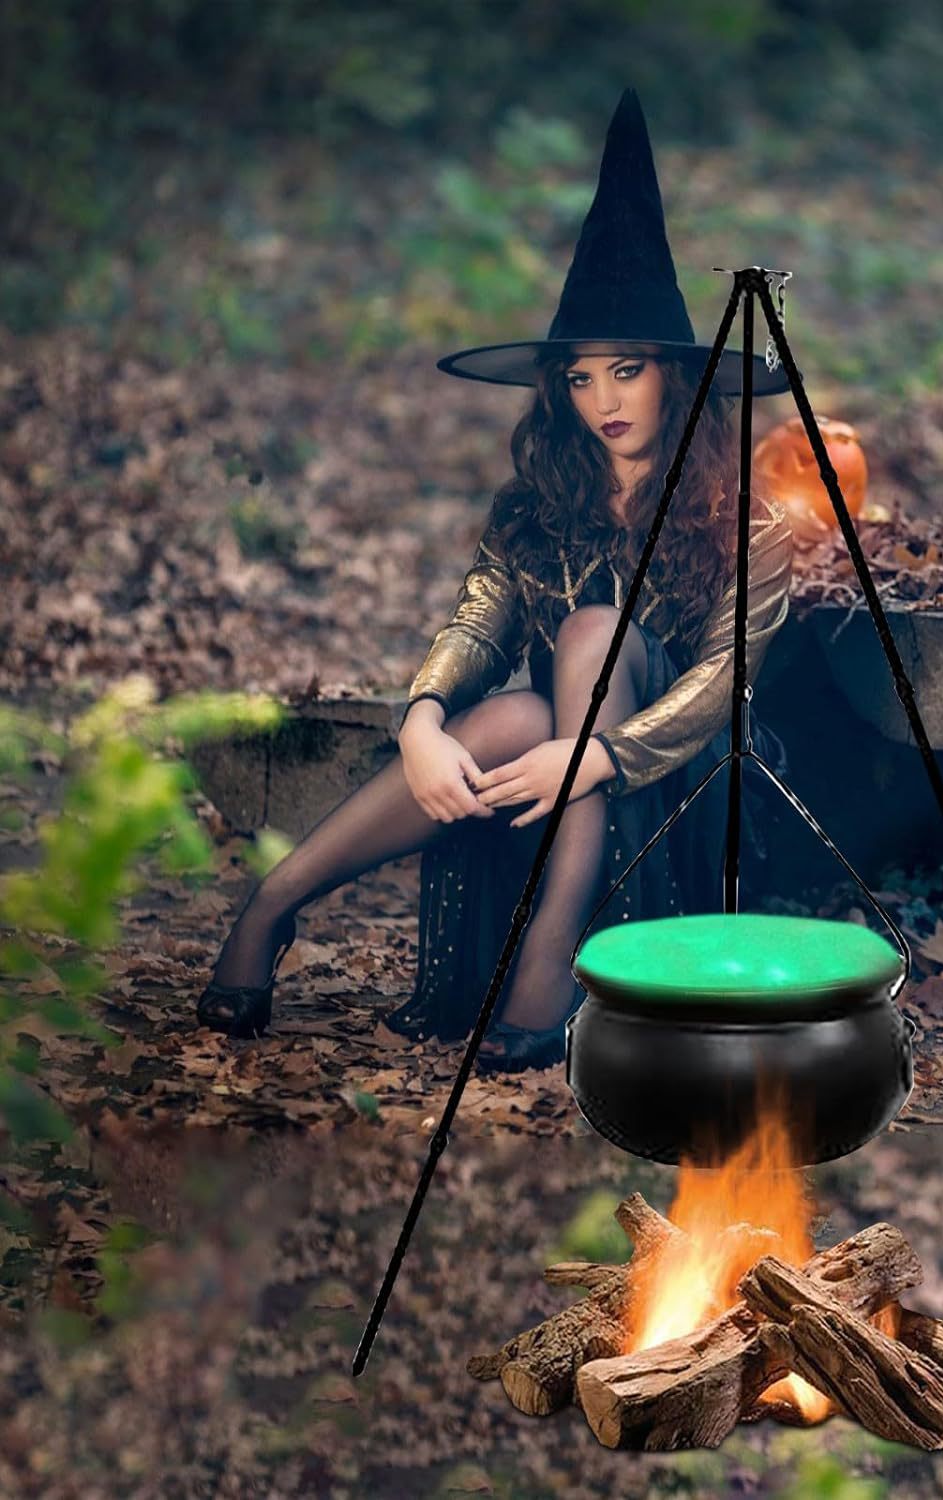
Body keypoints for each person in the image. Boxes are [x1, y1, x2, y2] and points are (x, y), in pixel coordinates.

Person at [194, 88, 795, 1072]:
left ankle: (553, 946)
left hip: (688, 784)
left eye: (628, 369)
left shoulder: (751, 522)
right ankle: (272, 904)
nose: (603, 399)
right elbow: (476, 628)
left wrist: (598, 757)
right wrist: (425, 719)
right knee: (512, 718)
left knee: (594, 638)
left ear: (674, 376)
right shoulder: (534, 506)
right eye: (580, 376)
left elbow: (722, 686)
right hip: (559, 768)